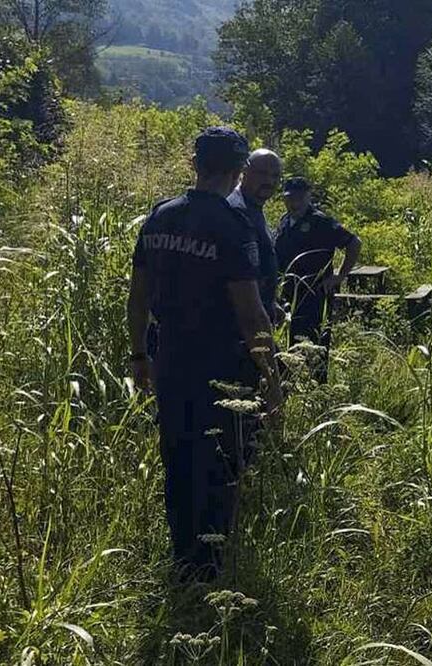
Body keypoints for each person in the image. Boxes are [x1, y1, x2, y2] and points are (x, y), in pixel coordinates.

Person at [126, 127, 283, 582]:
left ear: (193, 164)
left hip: (169, 361)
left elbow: (137, 298)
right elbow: (252, 316)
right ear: (238, 173)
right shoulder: (231, 227)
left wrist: (139, 357)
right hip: (223, 368)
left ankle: (182, 559)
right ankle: (210, 570)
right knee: (220, 465)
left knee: (177, 459)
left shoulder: (159, 218)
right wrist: (272, 381)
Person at [274, 177, 362, 357]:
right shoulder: (285, 221)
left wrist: (340, 276)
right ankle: (295, 383)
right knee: (293, 346)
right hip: (290, 294)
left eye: (299, 198)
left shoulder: (321, 222)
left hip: (315, 293)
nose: (294, 202)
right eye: (290, 198)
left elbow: (354, 243)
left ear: (308, 196)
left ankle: (317, 383)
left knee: (315, 345)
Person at [228, 148, 283, 322]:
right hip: (240, 323)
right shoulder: (237, 211)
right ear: (245, 171)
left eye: (275, 176)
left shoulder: (254, 209)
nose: (269, 181)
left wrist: (270, 303)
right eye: (262, 174)